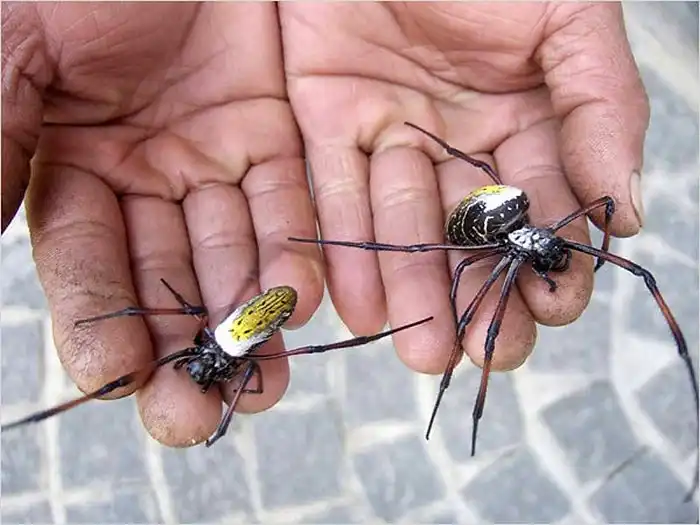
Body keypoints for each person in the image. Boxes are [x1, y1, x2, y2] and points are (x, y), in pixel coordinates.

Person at [1, 2, 649, 446]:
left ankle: (458, 401)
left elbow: (590, 221)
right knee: (448, 269)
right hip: (485, 223)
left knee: (489, 289)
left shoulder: (210, 342)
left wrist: (603, 212)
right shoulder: (223, 346)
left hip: (495, 219)